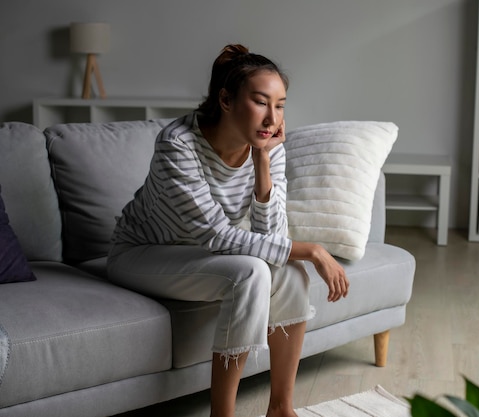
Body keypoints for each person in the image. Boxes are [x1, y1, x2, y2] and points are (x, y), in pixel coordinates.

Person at [106, 44, 349, 417]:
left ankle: (281, 408)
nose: (272, 118)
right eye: (260, 102)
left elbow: (272, 234)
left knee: (291, 275)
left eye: (280, 104)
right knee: (251, 271)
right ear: (226, 100)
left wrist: (263, 161)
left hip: (204, 255)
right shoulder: (178, 144)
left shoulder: (269, 145)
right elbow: (217, 236)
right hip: (142, 252)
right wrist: (314, 250)